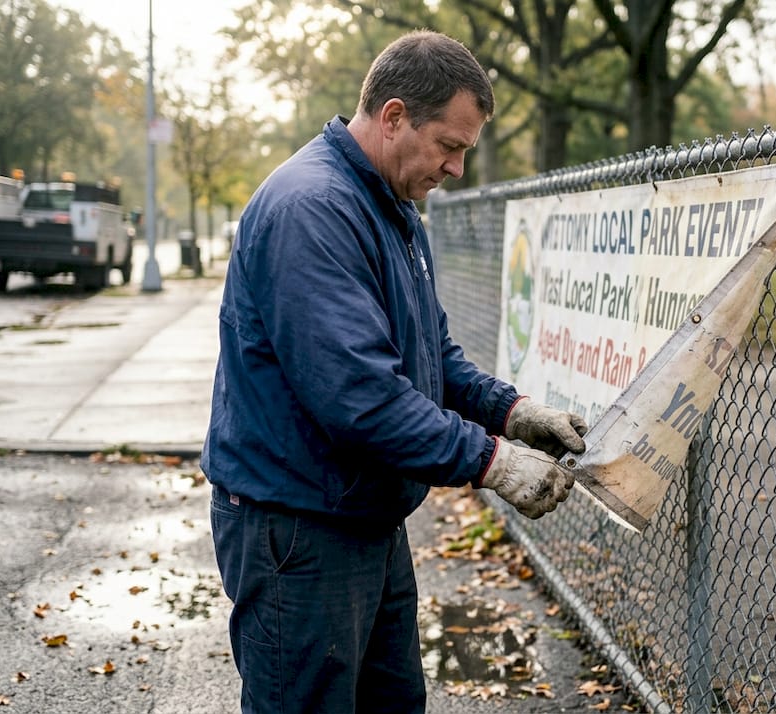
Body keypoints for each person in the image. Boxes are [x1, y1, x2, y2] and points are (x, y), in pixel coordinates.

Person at [202, 30, 589, 714]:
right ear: (393, 118)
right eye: (450, 146)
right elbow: (362, 398)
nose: (457, 169)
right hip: (298, 528)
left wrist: (513, 412)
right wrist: (493, 462)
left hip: (361, 514)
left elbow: (429, 355)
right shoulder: (312, 210)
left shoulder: (393, 211)